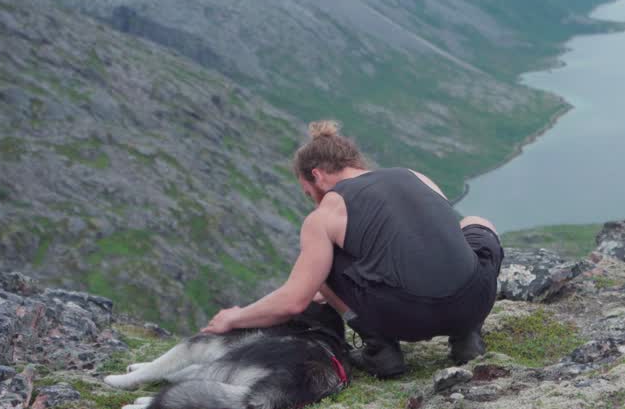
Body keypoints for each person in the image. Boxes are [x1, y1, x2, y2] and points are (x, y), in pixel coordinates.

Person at [201, 120, 504, 378]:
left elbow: (293, 302)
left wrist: (234, 318)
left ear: (317, 175)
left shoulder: (326, 212)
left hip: (406, 317)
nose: (313, 200)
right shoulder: (416, 176)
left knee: (320, 266)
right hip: (472, 302)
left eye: (309, 193)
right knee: (476, 222)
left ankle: (380, 350)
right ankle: (466, 336)